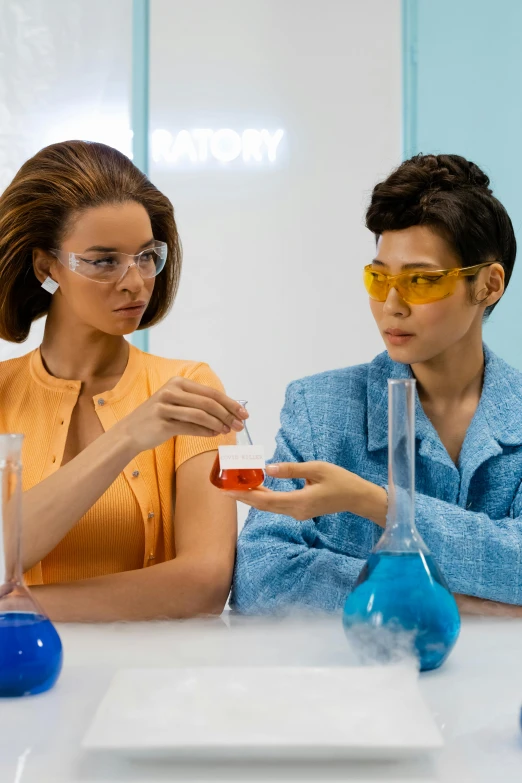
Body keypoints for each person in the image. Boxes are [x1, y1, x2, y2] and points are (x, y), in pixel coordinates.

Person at [230, 153, 522, 617]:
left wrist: (377, 504)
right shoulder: (319, 409)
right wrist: (457, 605)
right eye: (378, 277)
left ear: (489, 284)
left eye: (421, 280)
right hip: (361, 682)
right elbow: (261, 576)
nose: (392, 304)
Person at [0, 140, 248, 622]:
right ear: (46, 265)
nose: (135, 281)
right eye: (103, 260)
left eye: (145, 256)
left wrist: (17, 611)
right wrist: (128, 437)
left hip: (149, 684)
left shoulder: (188, 386)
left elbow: (204, 583)